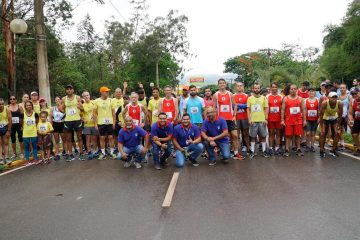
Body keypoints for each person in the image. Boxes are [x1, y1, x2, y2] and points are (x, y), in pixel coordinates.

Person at [213, 78, 241, 159]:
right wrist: (215, 118)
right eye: (220, 83)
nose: (222, 84)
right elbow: (214, 107)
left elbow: (235, 105)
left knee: (235, 135)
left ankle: (236, 152)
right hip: (220, 120)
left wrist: (234, 115)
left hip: (230, 119)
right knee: (223, 137)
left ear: (225, 84)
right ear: (218, 85)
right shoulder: (216, 95)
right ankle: (222, 151)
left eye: (223, 83)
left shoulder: (230, 94)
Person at [61, 84, 85, 161]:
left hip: (77, 120)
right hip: (68, 121)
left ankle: (81, 153)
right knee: (68, 138)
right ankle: (70, 154)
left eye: (70, 89)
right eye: (67, 89)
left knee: (79, 137)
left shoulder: (77, 97)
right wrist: (63, 109)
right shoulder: (64, 99)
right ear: (66, 90)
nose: (69, 90)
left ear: (73, 90)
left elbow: (82, 109)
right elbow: (62, 109)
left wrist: (80, 107)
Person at [281, 84, 306, 157]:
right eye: (291, 89)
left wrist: (304, 120)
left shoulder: (300, 99)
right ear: (289, 90)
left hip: (298, 120)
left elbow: (304, 109)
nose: (293, 90)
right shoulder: (285, 98)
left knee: (298, 135)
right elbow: (282, 110)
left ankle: (298, 149)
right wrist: (282, 120)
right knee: (288, 136)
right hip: (288, 120)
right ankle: (287, 149)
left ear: (297, 90)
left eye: (294, 89)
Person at [93, 86, 116, 160]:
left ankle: (112, 152)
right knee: (102, 137)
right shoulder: (96, 101)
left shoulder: (111, 100)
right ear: (102, 92)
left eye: (108, 91)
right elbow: (94, 114)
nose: (108, 93)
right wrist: (95, 124)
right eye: (106, 91)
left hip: (110, 122)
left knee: (110, 137)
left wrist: (114, 123)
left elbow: (113, 113)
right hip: (101, 122)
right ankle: (103, 153)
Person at [247, 83, 269, 158]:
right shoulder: (250, 98)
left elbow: (266, 109)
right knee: (253, 137)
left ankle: (264, 151)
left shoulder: (264, 98)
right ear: (253, 89)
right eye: (255, 88)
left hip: (262, 120)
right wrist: (249, 119)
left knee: (263, 136)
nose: (257, 89)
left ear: (260, 89)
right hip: (253, 121)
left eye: (258, 88)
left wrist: (266, 119)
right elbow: (248, 109)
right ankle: (252, 151)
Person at [319, 92, 343, 157]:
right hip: (325, 118)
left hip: (334, 118)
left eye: (335, 97)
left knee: (337, 133)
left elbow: (340, 116)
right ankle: (321, 149)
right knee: (322, 133)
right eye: (332, 97)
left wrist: (338, 126)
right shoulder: (324, 103)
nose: (334, 99)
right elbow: (321, 115)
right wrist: (321, 127)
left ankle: (333, 149)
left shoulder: (340, 103)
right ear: (329, 98)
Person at [233, 82, 250, 153]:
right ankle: (236, 149)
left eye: (240, 86)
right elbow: (232, 106)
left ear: (243, 87)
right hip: (236, 118)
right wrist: (242, 105)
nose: (239, 87)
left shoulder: (246, 95)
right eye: (238, 86)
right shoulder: (233, 96)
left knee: (245, 133)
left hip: (245, 117)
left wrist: (238, 105)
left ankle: (246, 147)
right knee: (236, 134)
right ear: (235, 87)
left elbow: (248, 105)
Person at [266, 82, 283, 155]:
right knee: (271, 133)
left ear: (277, 88)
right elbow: (266, 108)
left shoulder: (281, 97)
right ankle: (270, 148)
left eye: (275, 87)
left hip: (278, 118)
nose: (274, 89)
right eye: (272, 87)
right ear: (270, 88)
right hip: (270, 118)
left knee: (278, 134)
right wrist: (266, 118)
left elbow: (283, 108)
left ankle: (277, 148)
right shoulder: (267, 97)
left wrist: (282, 119)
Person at [82, 91, 98, 160]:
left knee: (94, 139)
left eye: (87, 95)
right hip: (87, 125)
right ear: (83, 97)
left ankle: (94, 152)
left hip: (94, 124)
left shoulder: (94, 103)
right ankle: (89, 152)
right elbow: (80, 115)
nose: (86, 97)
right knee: (87, 139)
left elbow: (97, 112)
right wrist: (83, 120)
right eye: (85, 96)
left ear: (89, 95)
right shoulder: (82, 105)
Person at [50, 96, 65, 161]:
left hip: (62, 124)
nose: (57, 100)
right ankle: (57, 154)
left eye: (59, 99)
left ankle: (65, 152)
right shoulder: (52, 108)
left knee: (64, 139)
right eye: (56, 100)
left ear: (60, 100)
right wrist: (50, 126)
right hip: (55, 124)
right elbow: (50, 117)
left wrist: (60, 106)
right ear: (55, 101)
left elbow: (64, 113)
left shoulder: (63, 107)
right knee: (56, 140)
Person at [304, 87, 319, 152]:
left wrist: (319, 118)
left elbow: (319, 110)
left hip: (315, 119)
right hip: (307, 119)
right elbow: (304, 110)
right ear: (308, 92)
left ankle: (312, 146)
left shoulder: (317, 100)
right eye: (310, 91)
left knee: (313, 133)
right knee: (308, 133)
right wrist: (304, 119)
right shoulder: (305, 100)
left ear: (315, 92)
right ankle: (307, 145)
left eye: (313, 91)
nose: (311, 92)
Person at [338, 83, 351, 150]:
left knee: (351, 127)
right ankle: (342, 142)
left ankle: (355, 142)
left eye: (343, 88)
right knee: (340, 129)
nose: (342, 89)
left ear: (346, 89)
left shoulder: (349, 96)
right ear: (339, 89)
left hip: (347, 115)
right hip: (339, 115)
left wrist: (350, 116)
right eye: (341, 88)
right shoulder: (338, 96)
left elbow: (350, 107)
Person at [348, 88, 360, 156]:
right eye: (352, 94)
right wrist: (351, 119)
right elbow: (350, 113)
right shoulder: (352, 101)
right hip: (357, 120)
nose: (354, 95)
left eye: (356, 93)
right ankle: (358, 148)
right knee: (354, 134)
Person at [0, 99, 12, 164]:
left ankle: (7, 158)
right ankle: (1, 159)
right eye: (0, 104)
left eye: (2, 104)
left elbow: (10, 120)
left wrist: (8, 130)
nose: (1, 105)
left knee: (6, 143)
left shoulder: (7, 109)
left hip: (5, 127)